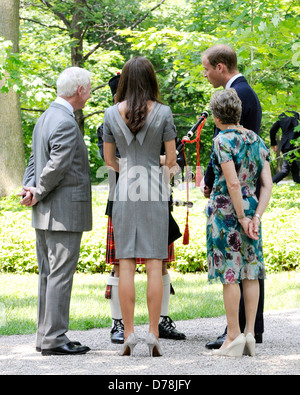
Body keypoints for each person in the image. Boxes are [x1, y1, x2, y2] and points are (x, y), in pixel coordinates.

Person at [97, 74, 186, 345]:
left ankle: (128, 334)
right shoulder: (163, 112)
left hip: (124, 192)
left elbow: (109, 160)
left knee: (125, 264)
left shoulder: (111, 113)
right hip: (154, 191)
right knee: (154, 264)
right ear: (150, 82)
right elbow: (172, 161)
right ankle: (153, 334)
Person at [19, 67, 93, 356]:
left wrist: (30, 187)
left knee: (48, 275)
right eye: (88, 88)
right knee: (60, 275)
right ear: (79, 90)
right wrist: (36, 190)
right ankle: (54, 338)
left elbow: (34, 159)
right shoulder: (64, 121)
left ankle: (45, 335)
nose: (88, 94)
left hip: (46, 211)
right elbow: (57, 166)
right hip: (63, 212)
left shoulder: (45, 117)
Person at [201, 44, 265, 349]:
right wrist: (255, 216)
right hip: (253, 210)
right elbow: (267, 184)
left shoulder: (223, 140)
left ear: (216, 114)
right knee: (250, 270)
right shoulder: (256, 139)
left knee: (231, 272)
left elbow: (233, 183)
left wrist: (240, 216)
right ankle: (250, 334)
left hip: (229, 212)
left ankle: (232, 336)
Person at [270, 111, 300, 184]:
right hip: (293, 145)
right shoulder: (295, 115)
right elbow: (298, 128)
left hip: (285, 145)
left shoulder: (282, 116)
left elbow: (272, 130)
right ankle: (270, 183)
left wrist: (273, 144)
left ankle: (298, 182)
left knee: (294, 167)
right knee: (285, 170)